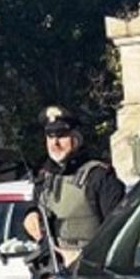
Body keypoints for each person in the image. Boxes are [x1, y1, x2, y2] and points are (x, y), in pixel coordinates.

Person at [30, 105, 126, 266]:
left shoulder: (99, 176)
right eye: (50, 136)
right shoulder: (44, 177)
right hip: (51, 270)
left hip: (91, 273)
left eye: (61, 136)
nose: (55, 142)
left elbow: (120, 233)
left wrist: (82, 256)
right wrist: (30, 214)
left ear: (76, 138)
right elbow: (39, 213)